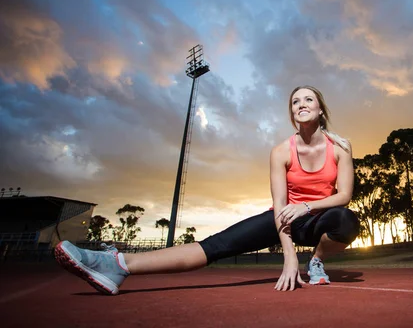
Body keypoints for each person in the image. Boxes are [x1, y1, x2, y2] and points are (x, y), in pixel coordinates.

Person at [54, 85, 360, 294]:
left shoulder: (340, 148)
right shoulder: (280, 151)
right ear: (292, 113)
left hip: (319, 217)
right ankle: (119, 265)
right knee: (214, 246)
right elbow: (280, 206)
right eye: (295, 101)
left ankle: (317, 260)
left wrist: (306, 206)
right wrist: (289, 256)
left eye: (308, 100)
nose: (301, 104)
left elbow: (344, 194)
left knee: (345, 220)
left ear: (320, 110)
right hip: (281, 220)